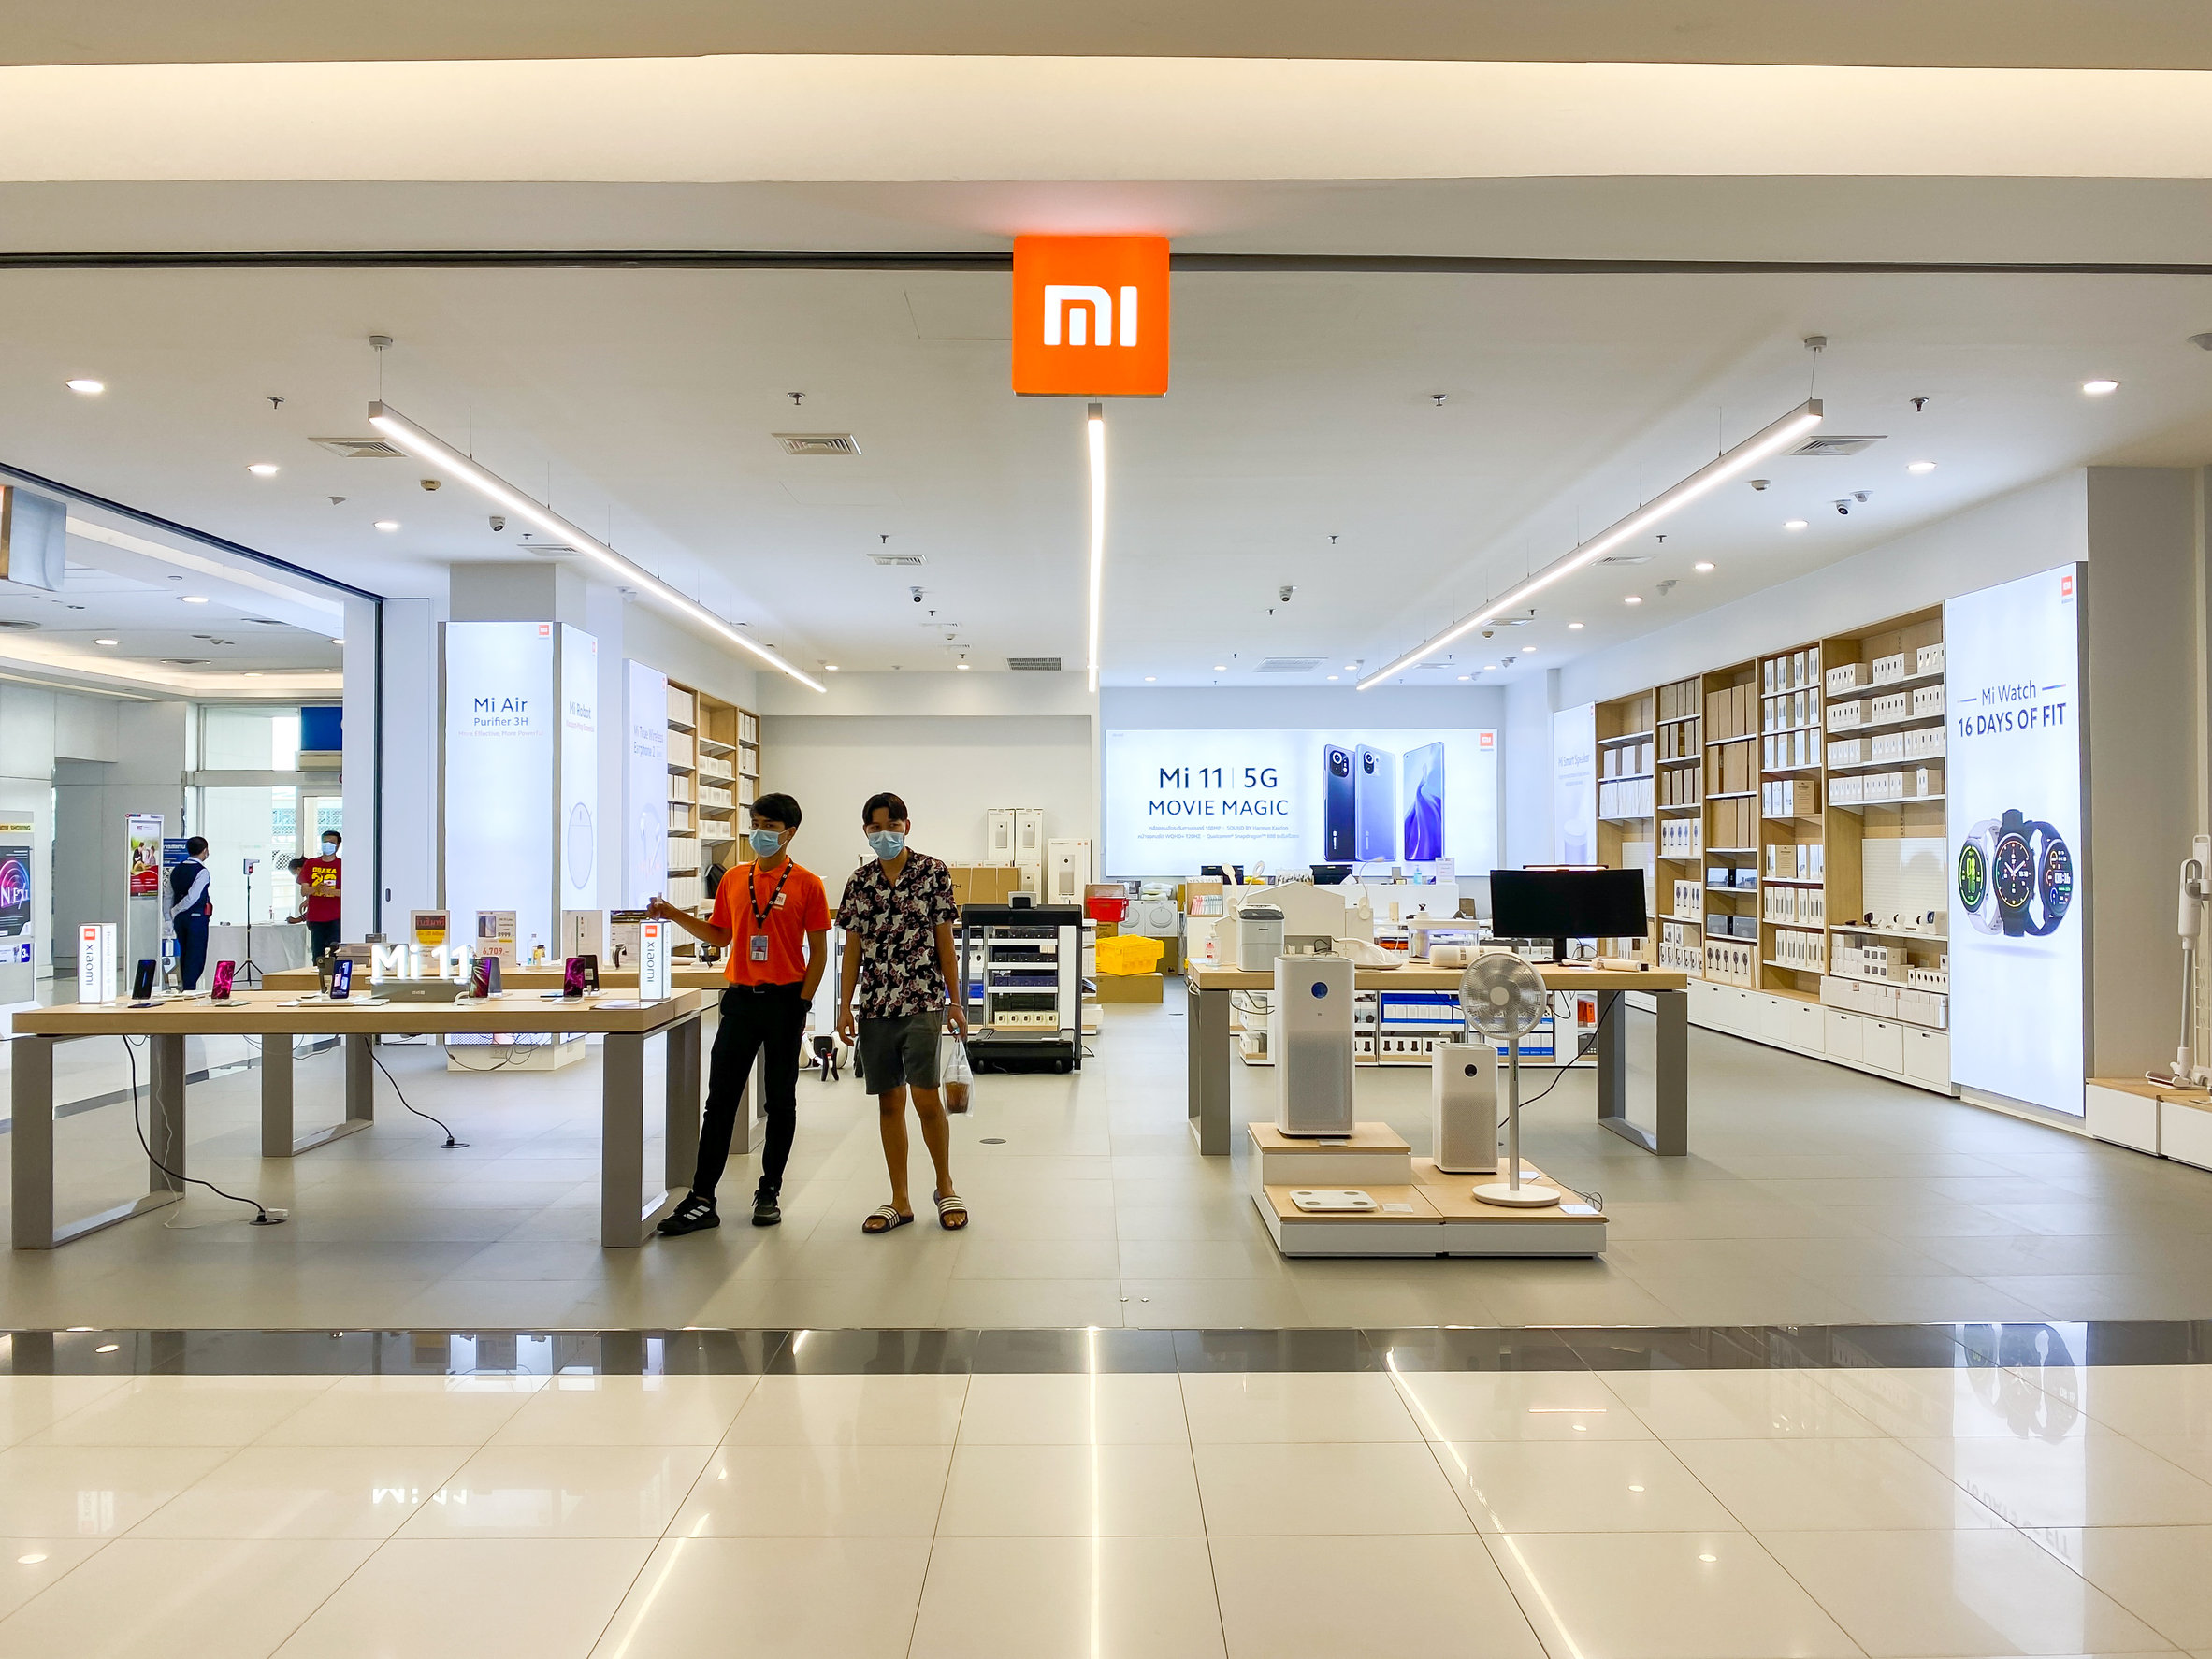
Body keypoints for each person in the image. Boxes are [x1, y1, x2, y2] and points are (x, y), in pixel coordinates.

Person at [648, 793, 831, 1232]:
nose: (759, 832)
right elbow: (720, 935)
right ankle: (701, 1198)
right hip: (740, 1001)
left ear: (789, 833)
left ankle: (769, 1191)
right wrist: (672, 914)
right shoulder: (733, 878)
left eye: (770, 825)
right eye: (756, 823)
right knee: (720, 1102)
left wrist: (803, 1003)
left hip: (785, 1001)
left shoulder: (808, 884)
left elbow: (819, 953)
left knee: (780, 1102)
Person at [835, 791, 970, 1233]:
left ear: (906, 827)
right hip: (875, 1005)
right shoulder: (860, 882)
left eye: (893, 826)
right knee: (889, 1102)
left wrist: (955, 1001)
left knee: (926, 1098)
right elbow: (852, 949)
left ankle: (945, 1186)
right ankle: (900, 1199)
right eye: (876, 827)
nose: (885, 834)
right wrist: (844, 1007)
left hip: (923, 1001)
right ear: (866, 831)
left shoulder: (932, 872)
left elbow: (945, 943)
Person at [167, 836, 213, 989]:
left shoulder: (176, 870)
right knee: (196, 955)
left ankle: (186, 987)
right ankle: (189, 988)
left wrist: (170, 915)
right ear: (205, 851)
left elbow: (168, 895)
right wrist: (176, 909)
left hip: (179, 920)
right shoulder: (202, 872)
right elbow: (192, 897)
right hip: (196, 919)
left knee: (185, 953)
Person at [293, 830, 343, 963]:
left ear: (338, 845)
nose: (328, 845)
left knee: (335, 953)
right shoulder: (311, 864)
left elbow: (348, 893)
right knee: (318, 955)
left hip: (336, 917)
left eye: (332, 843)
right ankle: (318, 974)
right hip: (316, 917)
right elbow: (304, 891)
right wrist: (316, 888)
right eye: (325, 842)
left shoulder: (342, 865)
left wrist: (331, 892)